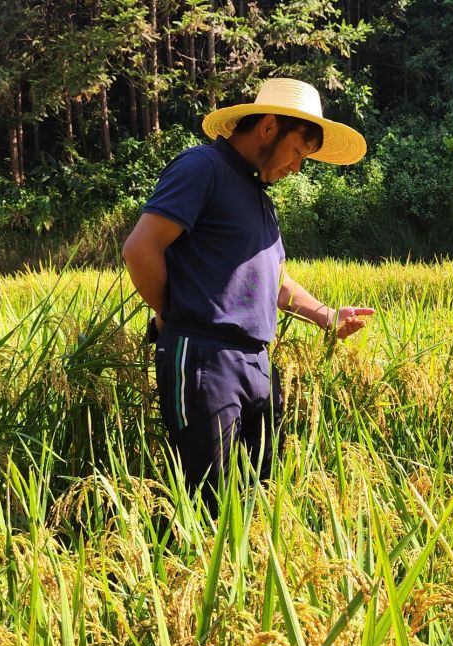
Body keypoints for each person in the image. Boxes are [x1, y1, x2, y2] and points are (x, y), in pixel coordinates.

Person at [122, 77, 374, 515]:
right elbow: (140, 248)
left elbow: (271, 280)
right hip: (205, 359)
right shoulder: (203, 168)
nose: (297, 168)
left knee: (258, 500)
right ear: (269, 127)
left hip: (257, 363)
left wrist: (327, 315)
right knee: (211, 503)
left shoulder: (260, 198)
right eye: (298, 152)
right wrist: (175, 314)